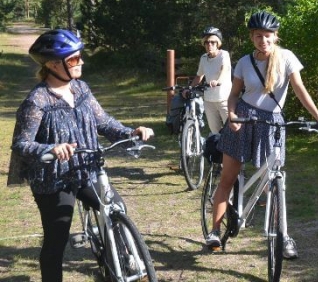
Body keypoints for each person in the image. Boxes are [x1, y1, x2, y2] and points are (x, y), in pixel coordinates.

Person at [6, 29, 155, 282]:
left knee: (115, 207)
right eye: (74, 59)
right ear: (53, 64)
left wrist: (132, 131)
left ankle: (119, 260)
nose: (81, 62)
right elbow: (21, 143)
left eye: (80, 57)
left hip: (86, 168)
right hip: (54, 178)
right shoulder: (37, 100)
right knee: (57, 239)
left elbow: (103, 121)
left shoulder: (81, 89)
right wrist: (49, 149)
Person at [206, 11, 318, 258]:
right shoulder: (244, 62)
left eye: (267, 36)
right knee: (228, 179)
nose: (262, 40)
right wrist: (231, 115)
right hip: (243, 119)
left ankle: (284, 237)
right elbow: (233, 95)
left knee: (273, 183)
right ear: (251, 37)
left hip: (272, 122)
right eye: (257, 36)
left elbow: (299, 89)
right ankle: (214, 231)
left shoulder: (286, 58)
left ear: (275, 36)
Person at [185, 26, 232, 135]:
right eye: (206, 42)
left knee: (230, 129)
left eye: (212, 42)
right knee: (215, 131)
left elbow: (224, 69)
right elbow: (199, 76)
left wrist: (217, 81)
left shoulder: (224, 55)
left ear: (218, 43)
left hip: (224, 99)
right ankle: (218, 151)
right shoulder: (203, 58)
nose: (209, 45)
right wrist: (189, 88)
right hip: (209, 100)